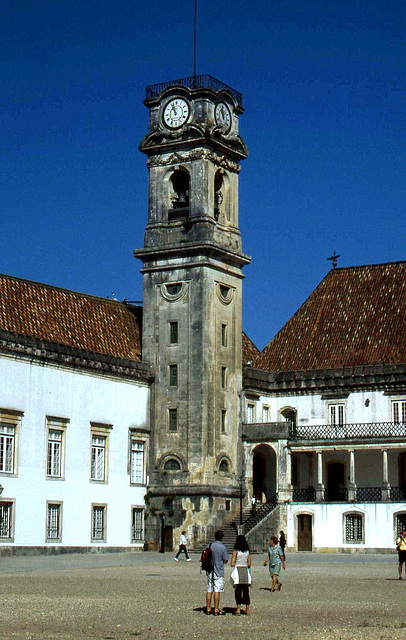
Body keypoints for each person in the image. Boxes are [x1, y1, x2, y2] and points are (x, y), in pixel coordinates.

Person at [205, 530, 229, 615]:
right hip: (218, 570)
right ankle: (216, 609)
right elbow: (226, 560)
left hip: (209, 570)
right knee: (217, 590)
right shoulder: (223, 547)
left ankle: (208, 608)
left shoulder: (210, 545)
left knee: (209, 589)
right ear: (222, 537)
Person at [230, 535, 251, 615]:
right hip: (245, 570)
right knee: (246, 591)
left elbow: (232, 563)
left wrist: (236, 562)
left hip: (238, 570)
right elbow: (249, 564)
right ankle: (247, 609)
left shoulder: (236, 551)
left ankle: (238, 609)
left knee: (238, 591)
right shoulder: (247, 551)